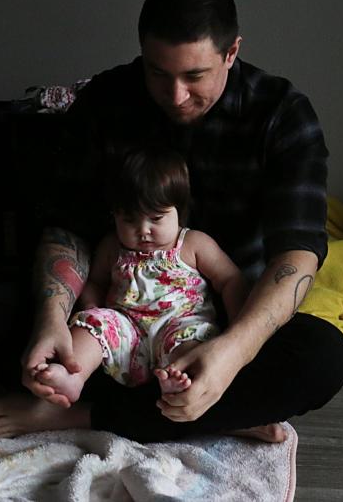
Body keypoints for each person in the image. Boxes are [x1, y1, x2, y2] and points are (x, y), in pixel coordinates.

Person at [0, 0, 343, 442]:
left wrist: (232, 353)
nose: (176, 95)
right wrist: (52, 321)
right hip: (115, 323)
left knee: (323, 357)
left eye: (195, 76)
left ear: (232, 53)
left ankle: (78, 415)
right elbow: (67, 228)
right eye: (158, 74)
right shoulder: (106, 101)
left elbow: (297, 252)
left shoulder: (282, 114)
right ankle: (217, 413)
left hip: (221, 321)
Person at [30, 145, 246, 406]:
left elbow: (230, 279)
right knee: (93, 324)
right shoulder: (112, 247)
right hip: (127, 330)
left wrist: (236, 325)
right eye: (130, 220)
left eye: (156, 218)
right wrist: (91, 307)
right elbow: (96, 282)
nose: (144, 230)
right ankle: (74, 377)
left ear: (179, 210)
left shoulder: (194, 244)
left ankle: (179, 383)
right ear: (115, 216)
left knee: (193, 341)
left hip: (179, 325)